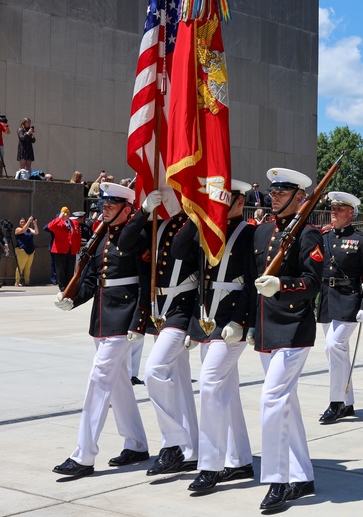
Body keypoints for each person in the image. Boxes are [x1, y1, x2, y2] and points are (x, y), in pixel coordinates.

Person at [52, 182, 149, 479]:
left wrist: (139, 321)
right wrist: (71, 298)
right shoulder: (101, 236)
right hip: (103, 318)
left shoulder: (138, 237)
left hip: (124, 317)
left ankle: (84, 454)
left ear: (126, 209)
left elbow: (146, 283)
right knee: (118, 383)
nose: (103, 210)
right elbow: (93, 279)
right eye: (102, 206)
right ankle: (136, 443)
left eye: (109, 206)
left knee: (99, 380)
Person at [172, 180, 257, 495]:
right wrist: (196, 216)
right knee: (226, 390)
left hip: (230, 323)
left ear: (238, 201)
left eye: (222, 200)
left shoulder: (248, 233)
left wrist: (241, 321)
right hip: (207, 322)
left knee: (209, 384)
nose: (216, 206)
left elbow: (251, 281)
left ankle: (211, 465)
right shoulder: (206, 229)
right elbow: (180, 255)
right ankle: (240, 459)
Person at [251, 167, 322, 509]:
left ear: (299, 198)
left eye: (282, 192)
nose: (273, 195)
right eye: (273, 190)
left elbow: (313, 284)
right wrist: (249, 323)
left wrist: (283, 286)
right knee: (286, 403)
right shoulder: (262, 232)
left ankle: (277, 479)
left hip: (294, 327)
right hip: (266, 327)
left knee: (272, 399)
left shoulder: (309, 235)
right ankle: (303, 475)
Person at [119, 192, 200, 476]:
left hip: (182, 307)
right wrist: (142, 212)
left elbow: (190, 260)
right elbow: (125, 243)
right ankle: (192, 449)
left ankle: (173, 443)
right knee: (178, 381)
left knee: (154, 371)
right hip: (159, 308)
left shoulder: (195, 224)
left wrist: (195, 323)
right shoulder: (158, 225)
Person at [316, 192, 363, 424]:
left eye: (339, 208)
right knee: (338, 352)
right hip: (327, 298)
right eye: (333, 208)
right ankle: (348, 401)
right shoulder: (324, 238)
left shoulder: (361, 241)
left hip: (349, 298)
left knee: (334, 346)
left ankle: (335, 403)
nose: (334, 211)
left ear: (351, 212)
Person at [47, 207, 83, 290]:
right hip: (60, 250)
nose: (67, 216)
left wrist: (78, 247)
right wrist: (59, 217)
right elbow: (50, 226)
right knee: (60, 269)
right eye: (65, 214)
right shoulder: (58, 223)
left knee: (70, 269)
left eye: (68, 214)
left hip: (72, 249)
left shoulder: (74, 223)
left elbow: (78, 236)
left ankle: (69, 286)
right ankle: (62, 287)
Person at [13, 216, 38, 287]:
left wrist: (35, 224)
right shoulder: (18, 229)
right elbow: (22, 231)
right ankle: (17, 282)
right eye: (21, 222)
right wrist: (28, 222)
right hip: (22, 250)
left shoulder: (29, 229)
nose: (23, 223)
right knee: (20, 267)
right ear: (19, 223)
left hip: (31, 249)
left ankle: (27, 281)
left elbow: (36, 232)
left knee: (28, 267)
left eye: (24, 222)